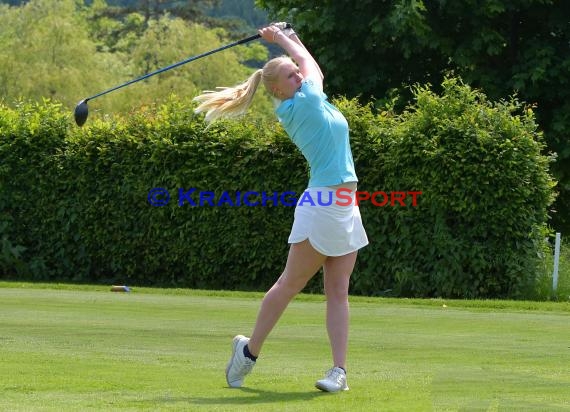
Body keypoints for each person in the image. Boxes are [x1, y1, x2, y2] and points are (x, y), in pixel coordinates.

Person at [194, 23, 369, 393]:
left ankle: (339, 371)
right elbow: (310, 66)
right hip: (321, 205)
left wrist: (290, 36)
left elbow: (310, 67)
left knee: (338, 292)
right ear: (278, 89)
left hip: (345, 205)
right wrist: (280, 39)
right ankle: (248, 353)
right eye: (291, 75)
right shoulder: (300, 105)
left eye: (296, 73)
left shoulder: (313, 99)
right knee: (290, 284)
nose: (298, 76)